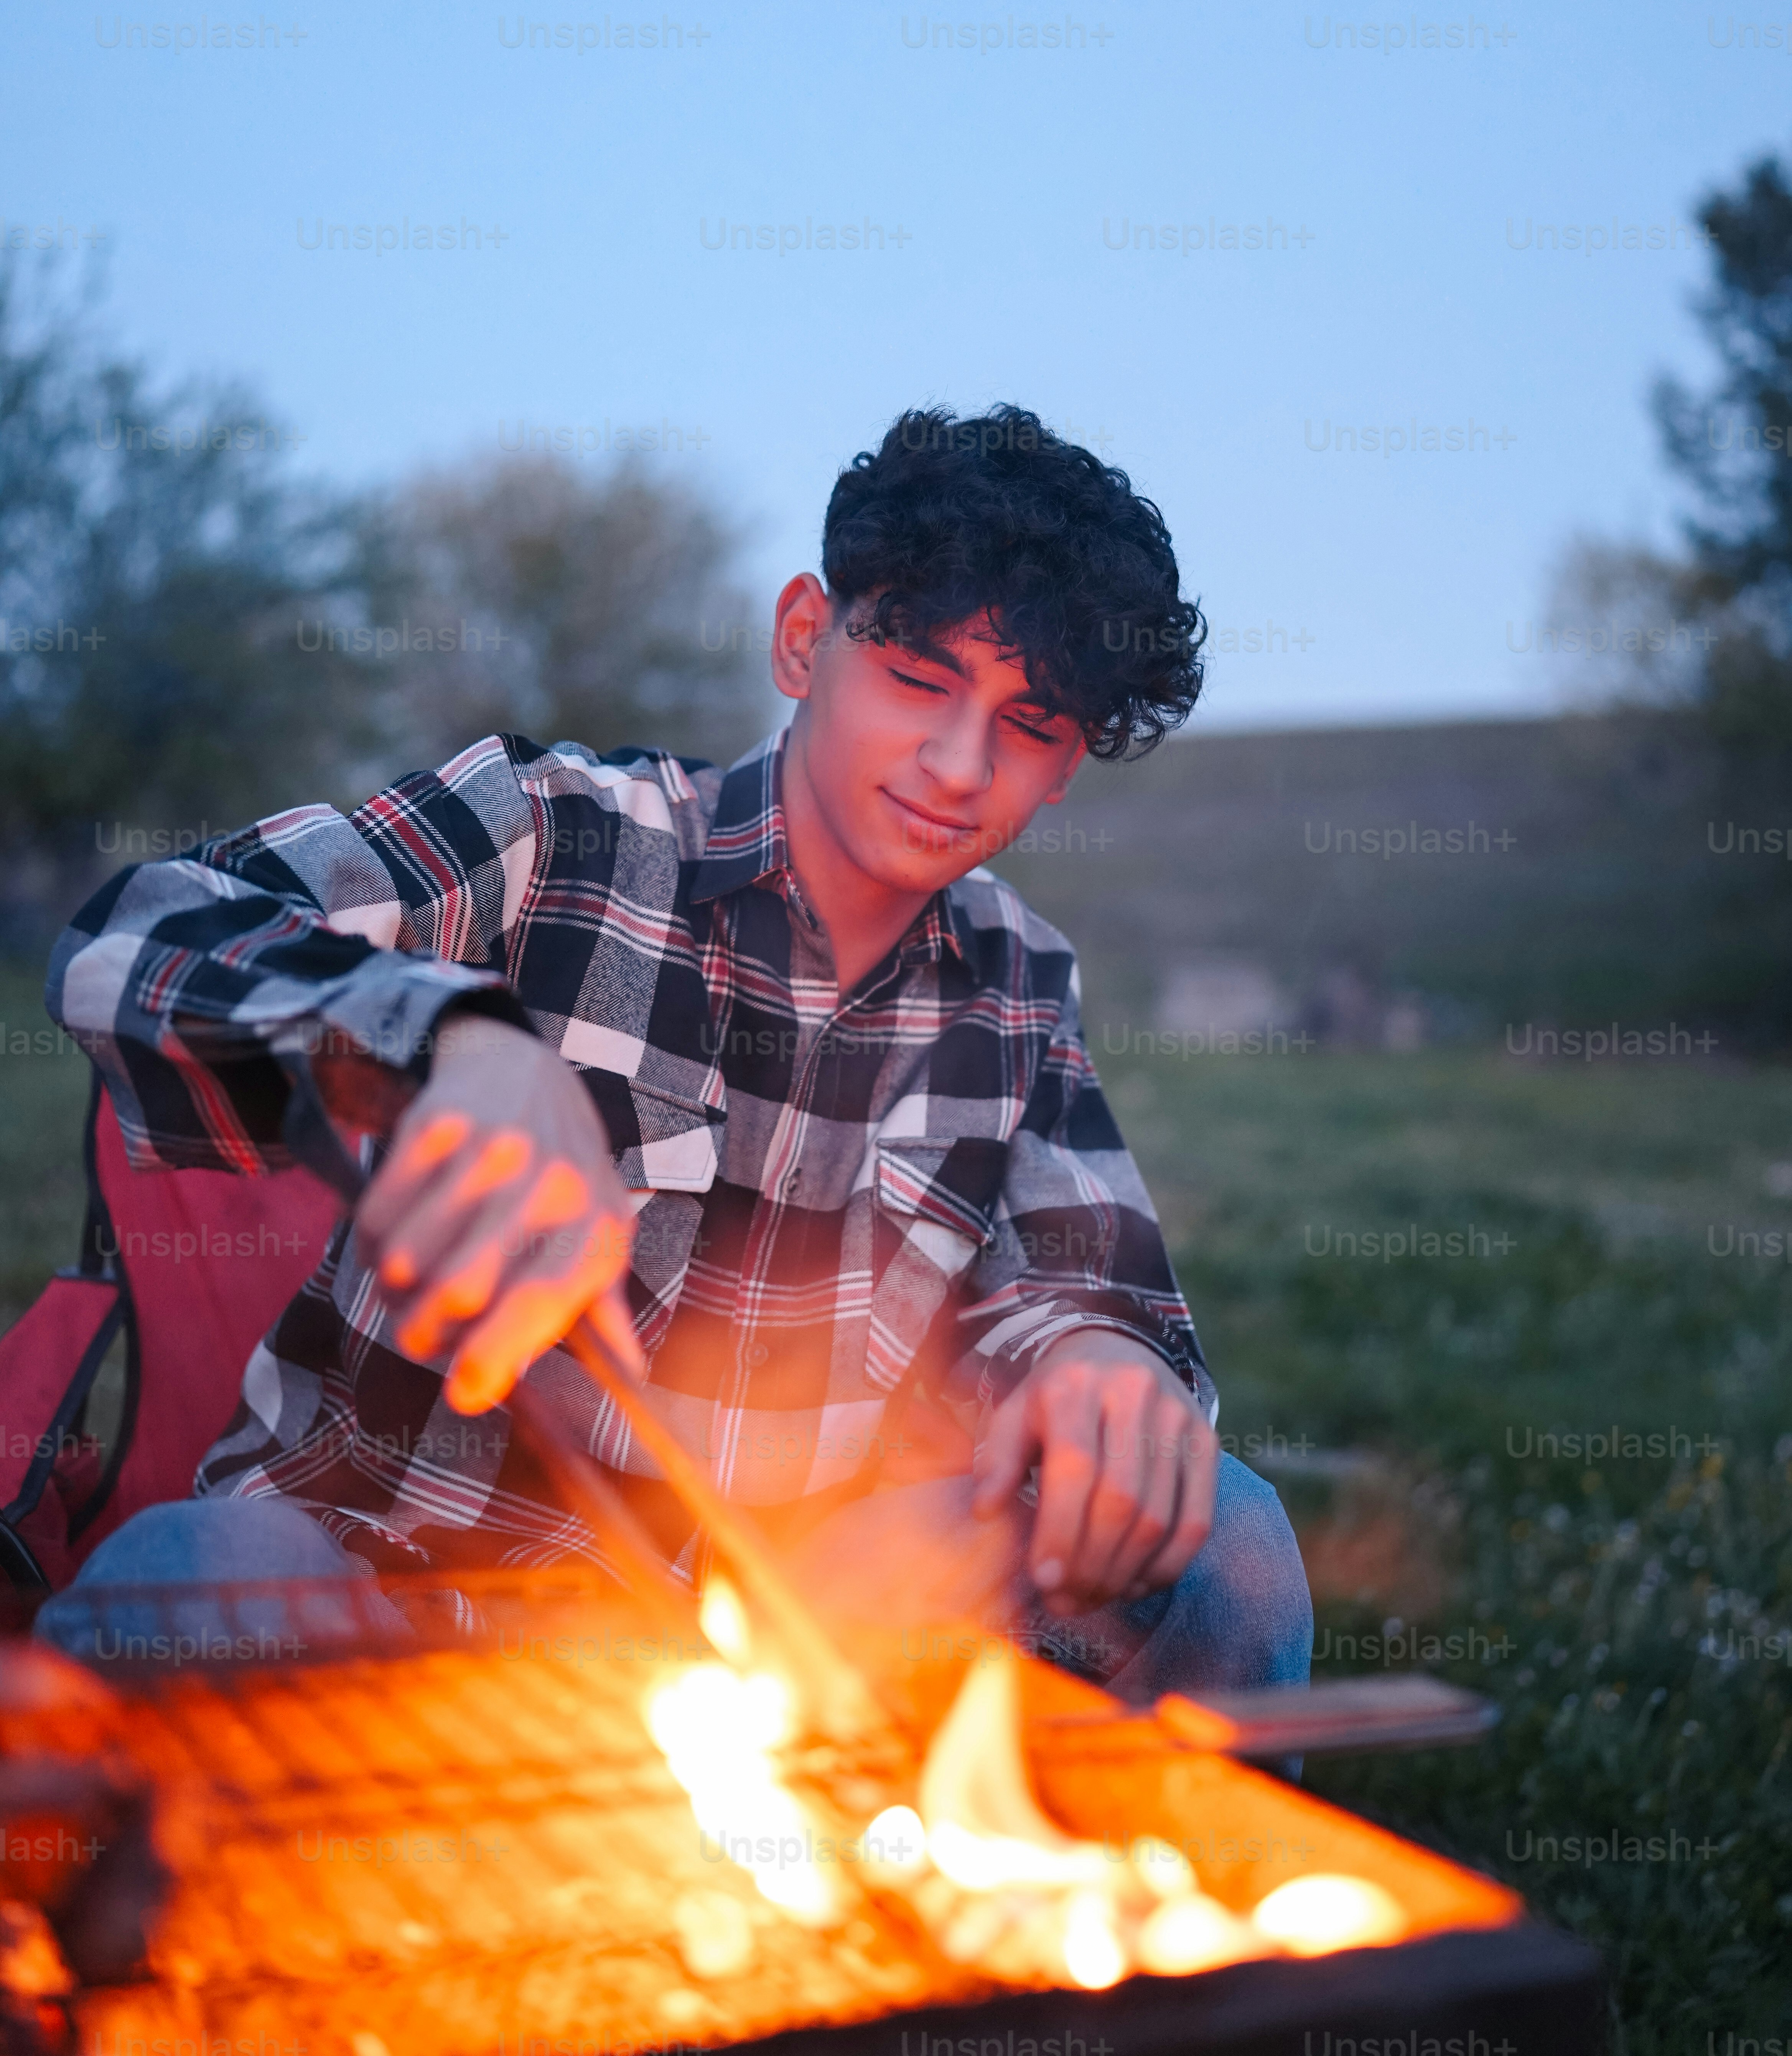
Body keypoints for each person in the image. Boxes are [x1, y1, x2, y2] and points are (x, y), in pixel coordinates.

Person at [38, 407, 1311, 1699]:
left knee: (1230, 1544)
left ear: (1068, 769)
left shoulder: (1018, 979)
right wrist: (455, 1040)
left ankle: (1139, 1891)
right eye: (920, 680)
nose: (956, 762)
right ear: (805, 639)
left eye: (1029, 726)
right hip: (386, 1596)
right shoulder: (549, 829)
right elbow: (145, 929)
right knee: (184, 1581)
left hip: (782, 1651)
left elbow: (1081, 1274)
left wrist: (1103, 1358)